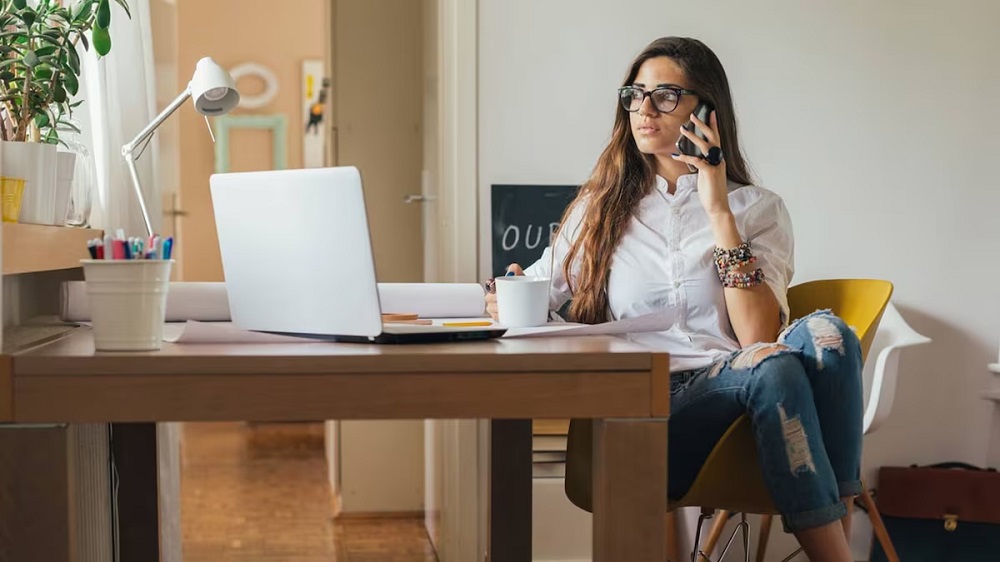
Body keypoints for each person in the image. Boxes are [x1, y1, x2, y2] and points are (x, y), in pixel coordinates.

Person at [486, 37, 862, 561]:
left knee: (828, 335)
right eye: (634, 95)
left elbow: (755, 338)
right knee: (776, 367)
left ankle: (834, 533)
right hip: (650, 404)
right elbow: (532, 289)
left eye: (664, 95)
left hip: (743, 391)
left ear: (706, 109)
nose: (644, 109)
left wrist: (718, 211)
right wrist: (499, 292)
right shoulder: (599, 210)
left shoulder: (758, 209)